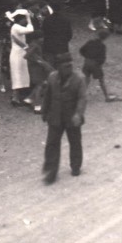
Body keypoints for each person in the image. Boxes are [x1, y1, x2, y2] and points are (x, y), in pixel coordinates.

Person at [41, 52, 86, 184]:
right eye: (65, 66)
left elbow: (82, 98)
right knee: (51, 144)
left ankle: (76, 166)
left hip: (72, 117)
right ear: (59, 67)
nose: (69, 68)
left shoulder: (79, 79)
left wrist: (78, 114)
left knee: (75, 141)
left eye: (70, 65)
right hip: (55, 116)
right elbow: (48, 96)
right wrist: (44, 111)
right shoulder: (52, 78)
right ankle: (51, 172)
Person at [79, 27, 121, 103]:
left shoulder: (90, 42)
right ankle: (106, 97)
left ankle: (81, 97)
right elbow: (102, 58)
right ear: (105, 38)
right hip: (95, 65)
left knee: (87, 80)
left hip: (87, 62)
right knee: (101, 81)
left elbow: (81, 50)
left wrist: (86, 57)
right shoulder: (102, 46)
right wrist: (99, 64)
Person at [8, 9, 34, 106]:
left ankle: (16, 96)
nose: (25, 21)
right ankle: (15, 97)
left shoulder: (15, 26)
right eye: (24, 19)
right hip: (18, 54)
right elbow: (31, 29)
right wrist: (29, 18)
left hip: (18, 53)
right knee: (18, 75)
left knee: (19, 75)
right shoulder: (17, 27)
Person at [41, 0, 73, 69]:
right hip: (62, 47)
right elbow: (69, 35)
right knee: (62, 68)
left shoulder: (47, 20)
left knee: (50, 69)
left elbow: (44, 32)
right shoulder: (66, 20)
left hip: (49, 48)